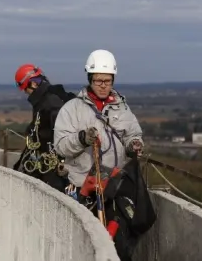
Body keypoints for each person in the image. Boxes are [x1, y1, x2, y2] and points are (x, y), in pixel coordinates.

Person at [53, 49, 154, 261]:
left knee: (121, 245)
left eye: (107, 80)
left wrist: (133, 144)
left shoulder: (122, 108)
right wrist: (82, 139)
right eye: (98, 80)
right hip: (84, 190)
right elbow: (61, 146)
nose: (103, 85)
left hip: (116, 188)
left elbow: (132, 133)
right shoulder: (72, 109)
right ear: (90, 79)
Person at [12, 63, 76, 190]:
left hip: (55, 167)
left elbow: (58, 135)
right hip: (47, 163)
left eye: (26, 89)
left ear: (33, 84)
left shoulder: (50, 103)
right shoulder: (45, 100)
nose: (26, 93)